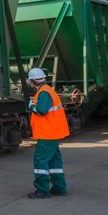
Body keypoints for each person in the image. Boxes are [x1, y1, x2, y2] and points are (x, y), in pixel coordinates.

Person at [25, 67, 69, 199]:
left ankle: (42, 190)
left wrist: (31, 106)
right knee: (54, 161)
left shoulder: (43, 92)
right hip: (53, 132)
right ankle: (59, 188)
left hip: (47, 133)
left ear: (32, 81)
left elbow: (42, 110)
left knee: (40, 160)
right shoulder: (48, 90)